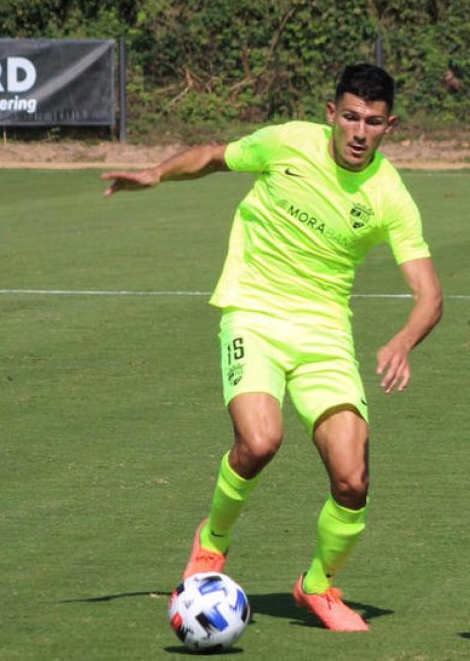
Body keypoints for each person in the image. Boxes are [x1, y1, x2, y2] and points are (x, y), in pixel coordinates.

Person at [101, 64, 442, 633]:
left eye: (374, 122)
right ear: (331, 114)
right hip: (253, 312)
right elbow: (213, 155)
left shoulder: (389, 194)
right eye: (351, 117)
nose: (360, 131)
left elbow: (429, 294)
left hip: (325, 333)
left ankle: (318, 586)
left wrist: (405, 340)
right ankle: (212, 543)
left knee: (352, 480)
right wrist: (157, 173)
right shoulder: (286, 142)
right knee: (260, 441)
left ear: (390, 126)